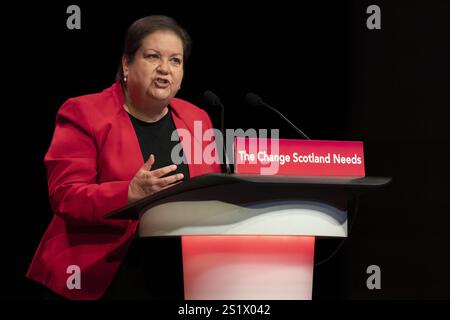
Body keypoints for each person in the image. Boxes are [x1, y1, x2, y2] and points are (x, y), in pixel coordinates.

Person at [26, 15, 221, 300]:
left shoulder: (196, 118)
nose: (165, 69)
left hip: (181, 271)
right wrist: (128, 194)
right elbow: (65, 196)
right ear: (126, 64)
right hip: (103, 271)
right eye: (153, 57)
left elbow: (209, 191)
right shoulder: (84, 112)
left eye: (175, 61)